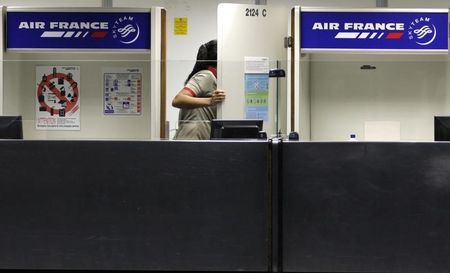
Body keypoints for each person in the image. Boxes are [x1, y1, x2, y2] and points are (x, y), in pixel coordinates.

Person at [172, 39, 226, 140]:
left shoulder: (214, 79)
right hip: (191, 140)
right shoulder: (206, 75)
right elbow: (178, 100)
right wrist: (210, 100)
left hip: (197, 141)